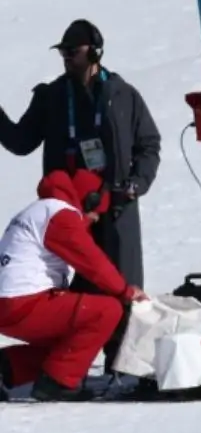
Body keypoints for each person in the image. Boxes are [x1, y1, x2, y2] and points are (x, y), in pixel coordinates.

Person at [0, 20, 161, 290]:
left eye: (72, 52)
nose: (66, 58)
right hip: (69, 211)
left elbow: (149, 144)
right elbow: (21, 142)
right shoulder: (52, 97)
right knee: (71, 292)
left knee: (122, 289)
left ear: (94, 52)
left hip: (116, 207)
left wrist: (138, 183)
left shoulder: (123, 95)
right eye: (63, 53)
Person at [0, 169, 146, 400]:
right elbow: (92, 262)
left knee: (69, 343)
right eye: (96, 212)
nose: (95, 219)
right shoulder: (61, 215)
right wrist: (125, 292)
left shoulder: (42, 210)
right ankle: (58, 382)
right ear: (89, 200)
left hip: (12, 303)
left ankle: (6, 367)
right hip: (23, 303)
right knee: (107, 311)